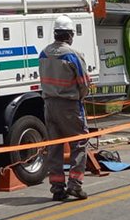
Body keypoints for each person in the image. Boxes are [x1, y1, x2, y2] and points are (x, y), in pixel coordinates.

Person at [39, 14, 91, 201]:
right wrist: (80, 98)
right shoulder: (73, 55)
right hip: (69, 105)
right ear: (70, 35)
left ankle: (57, 188)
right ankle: (75, 186)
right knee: (79, 143)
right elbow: (84, 83)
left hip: (49, 104)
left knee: (54, 147)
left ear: (55, 34)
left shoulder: (44, 53)